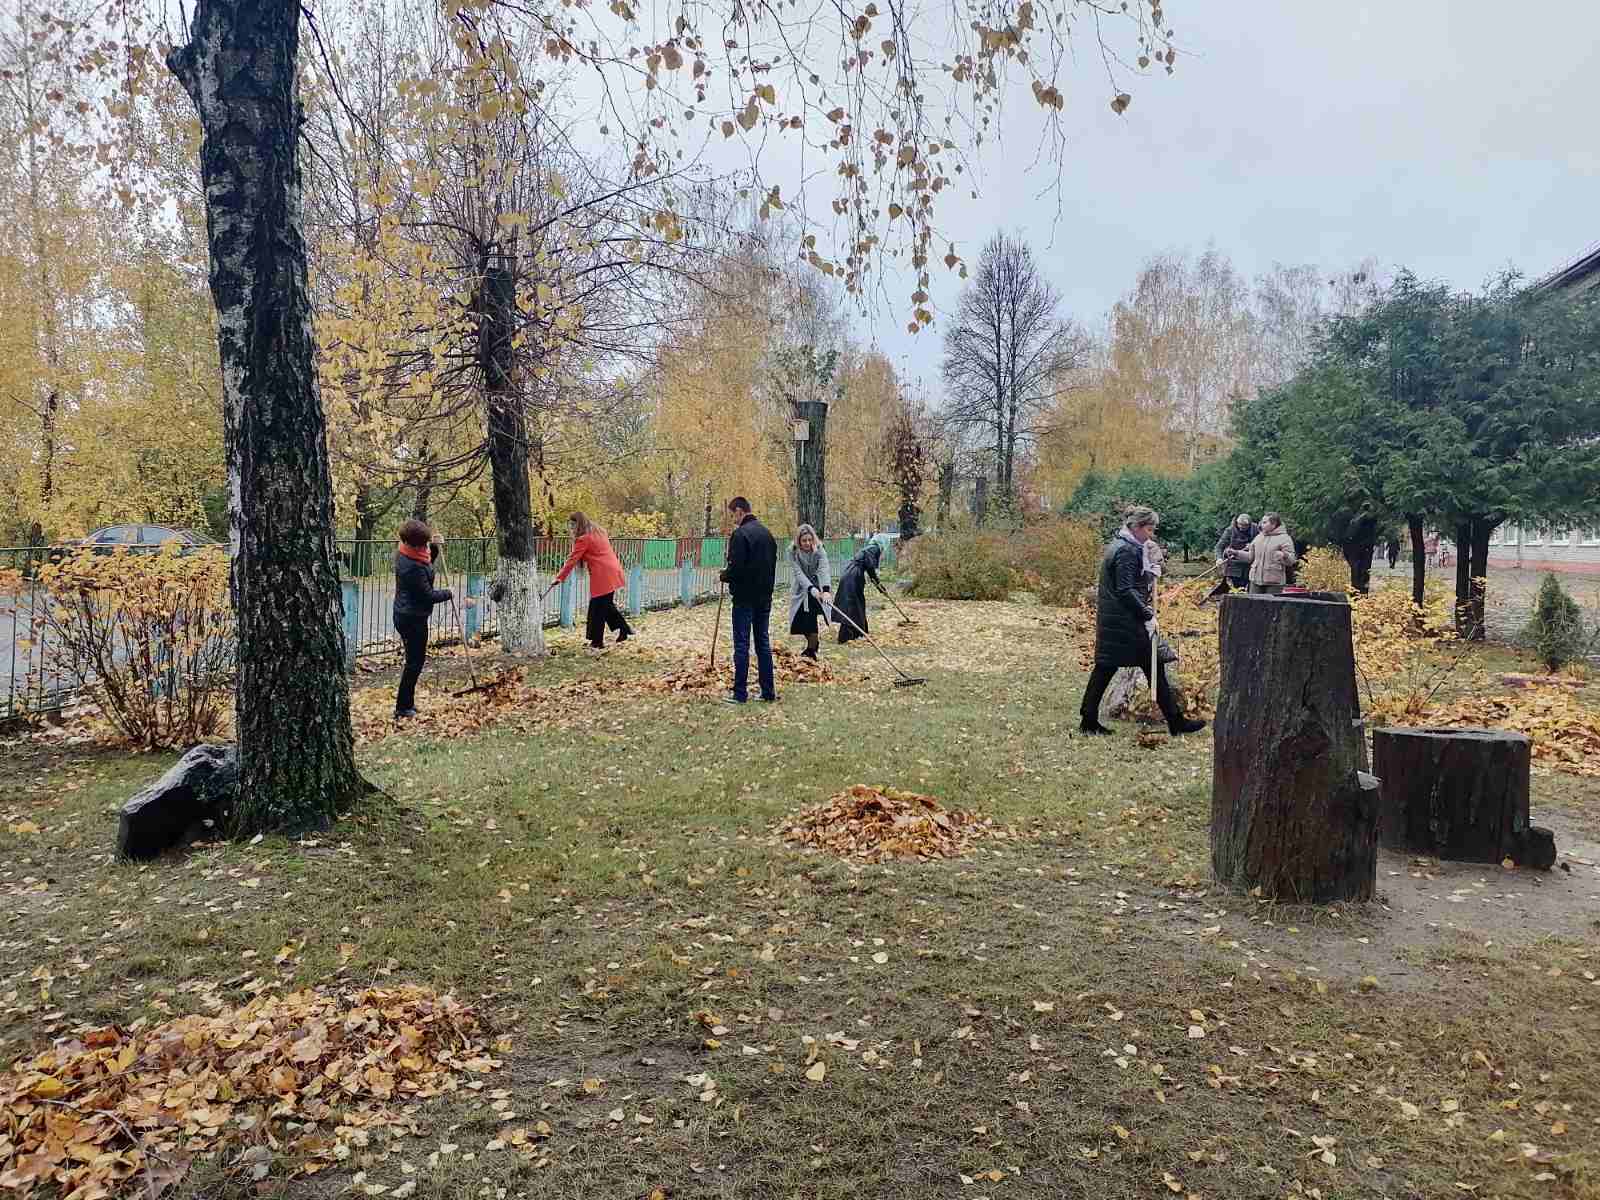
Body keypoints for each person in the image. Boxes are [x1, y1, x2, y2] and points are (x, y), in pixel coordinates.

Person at [1078, 506, 1206, 737]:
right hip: (1126, 621)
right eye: (1149, 529)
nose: (1151, 534)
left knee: (1117, 666)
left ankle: (1089, 719)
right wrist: (1147, 614)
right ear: (1136, 527)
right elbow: (1125, 590)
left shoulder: (1123, 545)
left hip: (1118, 618)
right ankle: (1175, 722)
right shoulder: (1126, 550)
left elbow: (1131, 582)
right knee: (1136, 666)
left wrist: (1150, 571)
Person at [392, 518, 454, 719]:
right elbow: (427, 595)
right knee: (414, 663)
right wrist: (448, 593)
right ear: (414, 543)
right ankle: (403, 707)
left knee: (415, 661)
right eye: (424, 544)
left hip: (409, 614)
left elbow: (427, 563)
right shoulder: (412, 566)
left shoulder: (407, 553)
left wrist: (434, 547)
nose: (425, 547)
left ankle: (407, 704)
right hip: (411, 619)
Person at [719, 497, 778, 704]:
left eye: (732, 515)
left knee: (742, 644)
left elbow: (737, 569)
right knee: (763, 643)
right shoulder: (767, 534)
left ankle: (740, 693)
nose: (733, 519)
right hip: (764, 597)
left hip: (744, 599)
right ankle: (768, 691)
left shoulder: (740, 534)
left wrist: (724, 575)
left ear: (739, 510)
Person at [553, 511, 632, 651]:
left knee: (598, 608)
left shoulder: (584, 539)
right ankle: (622, 630)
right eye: (570, 525)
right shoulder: (600, 532)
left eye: (573, 525)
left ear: (579, 524)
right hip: (613, 570)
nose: (571, 528)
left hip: (603, 575)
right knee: (605, 606)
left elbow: (572, 559)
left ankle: (598, 641)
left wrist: (560, 577)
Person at [787, 523, 832, 659]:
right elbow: (798, 573)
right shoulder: (792, 551)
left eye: (809, 540)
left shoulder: (819, 549)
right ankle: (813, 644)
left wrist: (825, 590)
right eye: (804, 540)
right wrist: (811, 589)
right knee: (799, 619)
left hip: (818, 586)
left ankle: (811, 649)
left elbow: (823, 569)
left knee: (811, 617)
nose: (807, 543)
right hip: (801, 588)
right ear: (798, 541)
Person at [1226, 511, 1297, 595]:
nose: (1261, 524)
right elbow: (1250, 557)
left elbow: (1292, 560)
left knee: (1271, 604)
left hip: (1274, 582)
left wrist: (1284, 555)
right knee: (1253, 603)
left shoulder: (1284, 538)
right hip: (1255, 581)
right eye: (1262, 522)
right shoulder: (1259, 537)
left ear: (1273, 524)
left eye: (1264, 522)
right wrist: (1236, 553)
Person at [834, 541, 884, 644]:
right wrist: (879, 585)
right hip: (853, 577)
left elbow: (869, 568)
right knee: (852, 605)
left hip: (850, 574)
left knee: (857, 604)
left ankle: (859, 632)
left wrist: (879, 585)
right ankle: (846, 636)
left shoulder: (868, 549)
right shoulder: (874, 548)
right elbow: (870, 568)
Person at [1208, 513, 1257, 599]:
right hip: (1233, 567)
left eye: (1244, 526)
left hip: (1249, 566)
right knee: (1234, 592)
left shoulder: (1256, 529)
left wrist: (1253, 545)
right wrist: (1219, 558)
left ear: (1249, 524)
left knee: (1249, 592)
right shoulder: (1230, 530)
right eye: (1240, 525)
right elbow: (1219, 546)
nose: (1241, 527)